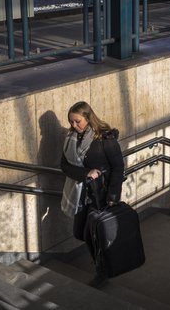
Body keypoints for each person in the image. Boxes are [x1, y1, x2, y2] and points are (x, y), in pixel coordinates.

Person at [60, 101, 125, 287]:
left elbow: (118, 168)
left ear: (88, 118)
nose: (74, 126)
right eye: (71, 122)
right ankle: (103, 264)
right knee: (81, 233)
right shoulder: (70, 139)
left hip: (100, 196)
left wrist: (113, 196)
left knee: (95, 234)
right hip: (80, 195)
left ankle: (103, 269)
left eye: (77, 121)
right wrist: (85, 174)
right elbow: (64, 166)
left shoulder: (105, 138)